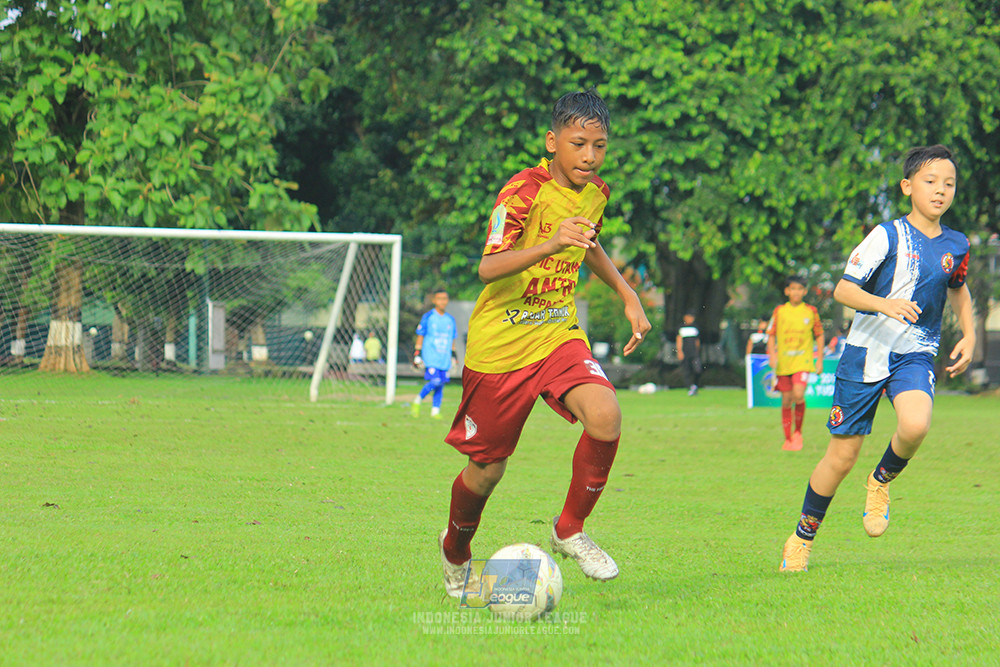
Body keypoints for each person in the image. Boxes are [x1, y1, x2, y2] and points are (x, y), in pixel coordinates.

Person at [437, 89, 652, 598]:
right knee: (487, 470)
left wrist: (628, 294)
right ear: (553, 141)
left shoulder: (597, 191)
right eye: (579, 144)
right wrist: (550, 242)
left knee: (606, 415)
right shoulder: (521, 192)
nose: (589, 157)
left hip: (557, 332)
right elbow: (489, 267)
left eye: (599, 146)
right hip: (500, 347)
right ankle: (455, 551)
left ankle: (569, 529)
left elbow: (590, 244)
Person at [780, 144, 975, 573]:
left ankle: (880, 480)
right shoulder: (886, 235)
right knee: (841, 458)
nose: (940, 191)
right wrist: (884, 304)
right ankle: (801, 538)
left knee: (916, 423)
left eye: (949, 183)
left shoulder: (956, 244)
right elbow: (844, 290)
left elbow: (958, 288)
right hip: (865, 353)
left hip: (916, 353)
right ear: (908, 187)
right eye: (930, 182)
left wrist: (971, 333)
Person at [766, 276, 824, 451]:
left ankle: (798, 433)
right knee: (786, 401)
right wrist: (772, 355)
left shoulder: (810, 311)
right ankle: (788, 438)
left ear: (804, 292)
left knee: (798, 395)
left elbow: (819, 334)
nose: (796, 292)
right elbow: (771, 334)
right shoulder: (780, 311)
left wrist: (819, 358)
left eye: (800, 289)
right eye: (793, 289)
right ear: (787, 291)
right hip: (784, 362)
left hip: (803, 361)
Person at [411, 289, 458, 419]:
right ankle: (418, 400)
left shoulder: (450, 320)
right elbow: (420, 336)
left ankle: (435, 411)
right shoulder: (428, 317)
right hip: (431, 356)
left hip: (444, 358)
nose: (442, 301)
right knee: (435, 381)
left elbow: (452, 339)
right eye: (440, 299)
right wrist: (417, 353)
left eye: (445, 299)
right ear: (434, 300)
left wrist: (454, 356)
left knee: (441, 384)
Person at [676, 312, 702, 396]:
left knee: (697, 369)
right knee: (686, 369)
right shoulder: (681, 327)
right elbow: (679, 340)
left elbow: (697, 341)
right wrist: (680, 351)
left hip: (694, 352)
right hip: (685, 352)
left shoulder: (695, 327)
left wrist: (697, 351)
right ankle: (689, 386)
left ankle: (695, 385)